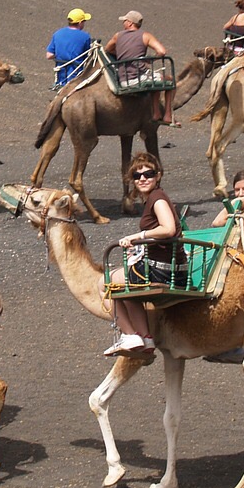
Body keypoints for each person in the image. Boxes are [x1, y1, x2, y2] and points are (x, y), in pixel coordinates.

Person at [103, 152, 186, 361]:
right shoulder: (156, 198)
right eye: (137, 175)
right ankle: (145, 338)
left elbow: (167, 229)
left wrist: (137, 237)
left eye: (148, 173)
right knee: (129, 288)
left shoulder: (157, 199)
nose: (143, 179)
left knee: (104, 283)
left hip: (163, 270)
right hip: (167, 267)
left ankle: (130, 334)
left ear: (157, 175)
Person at [105, 10, 175, 125]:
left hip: (123, 79)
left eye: (125, 21)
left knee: (156, 79)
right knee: (170, 80)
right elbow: (162, 51)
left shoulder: (117, 36)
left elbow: (108, 49)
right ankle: (167, 115)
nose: (123, 23)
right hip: (139, 78)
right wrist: (149, 60)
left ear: (130, 23)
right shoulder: (145, 36)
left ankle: (156, 113)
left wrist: (123, 56)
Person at [46, 8, 94, 88]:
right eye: (84, 21)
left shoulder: (58, 33)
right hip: (76, 74)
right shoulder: (85, 37)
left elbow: (49, 55)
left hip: (60, 75)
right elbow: (87, 57)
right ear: (80, 23)